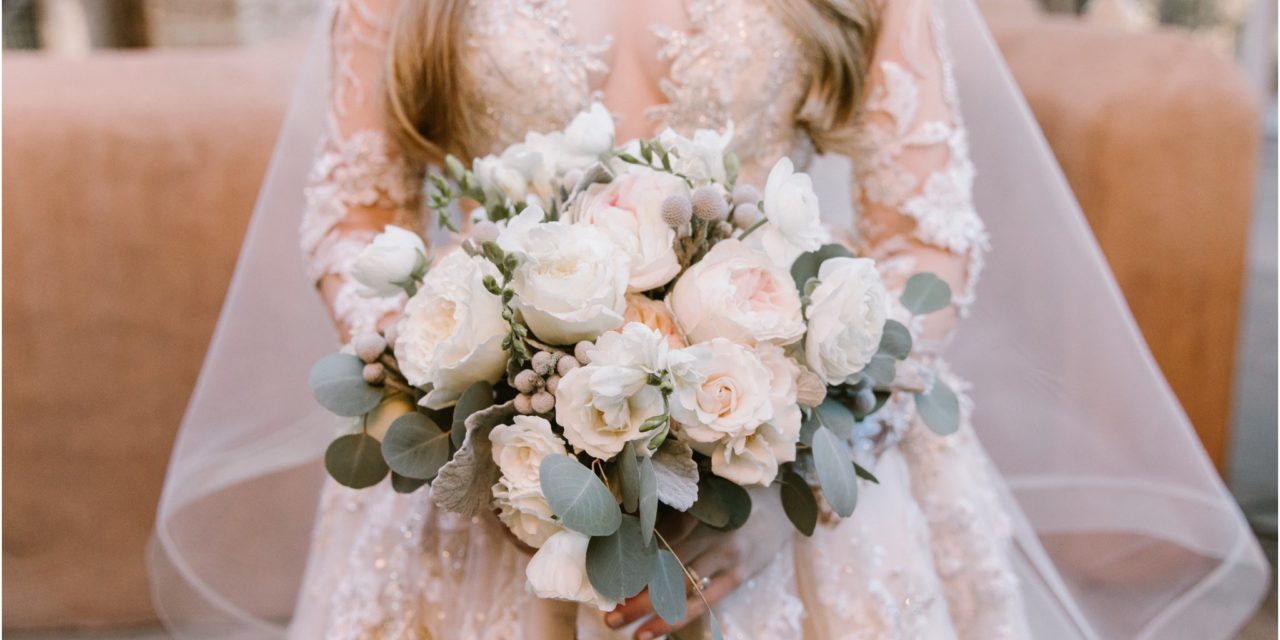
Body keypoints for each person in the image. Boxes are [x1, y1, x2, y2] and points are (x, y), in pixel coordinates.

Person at [151, 1, 1269, 638]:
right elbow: (354, 213)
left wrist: (791, 476)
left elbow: (925, 231)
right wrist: (468, 406)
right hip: (478, 497)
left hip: (801, 468)